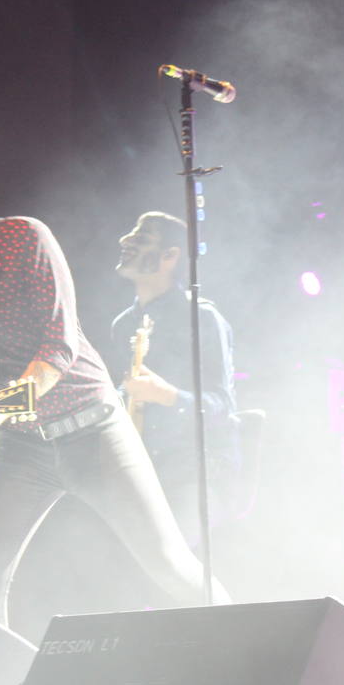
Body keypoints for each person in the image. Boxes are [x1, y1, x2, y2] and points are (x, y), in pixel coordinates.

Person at [0, 161, 227, 626]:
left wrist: (2, 405)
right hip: (22, 446)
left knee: (168, 563)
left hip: (90, 427)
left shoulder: (22, 239)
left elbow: (58, 345)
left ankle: (258, 653)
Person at [112, 211, 239, 546]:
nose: (125, 241)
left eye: (141, 238)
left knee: (174, 555)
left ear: (170, 256)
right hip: (141, 468)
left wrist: (168, 396)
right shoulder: (122, 325)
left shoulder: (202, 318)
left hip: (196, 471)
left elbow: (223, 405)